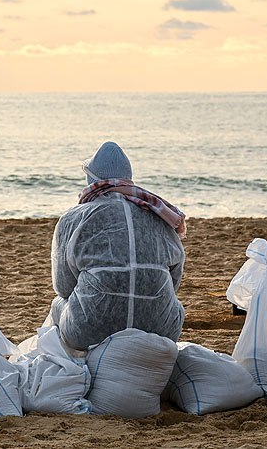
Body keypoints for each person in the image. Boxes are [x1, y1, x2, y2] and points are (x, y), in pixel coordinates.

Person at [49, 141, 187, 351]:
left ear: (91, 180)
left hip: (89, 332)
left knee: (58, 304)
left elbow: (64, 286)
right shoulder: (158, 214)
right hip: (162, 329)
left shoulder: (74, 218)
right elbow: (174, 280)